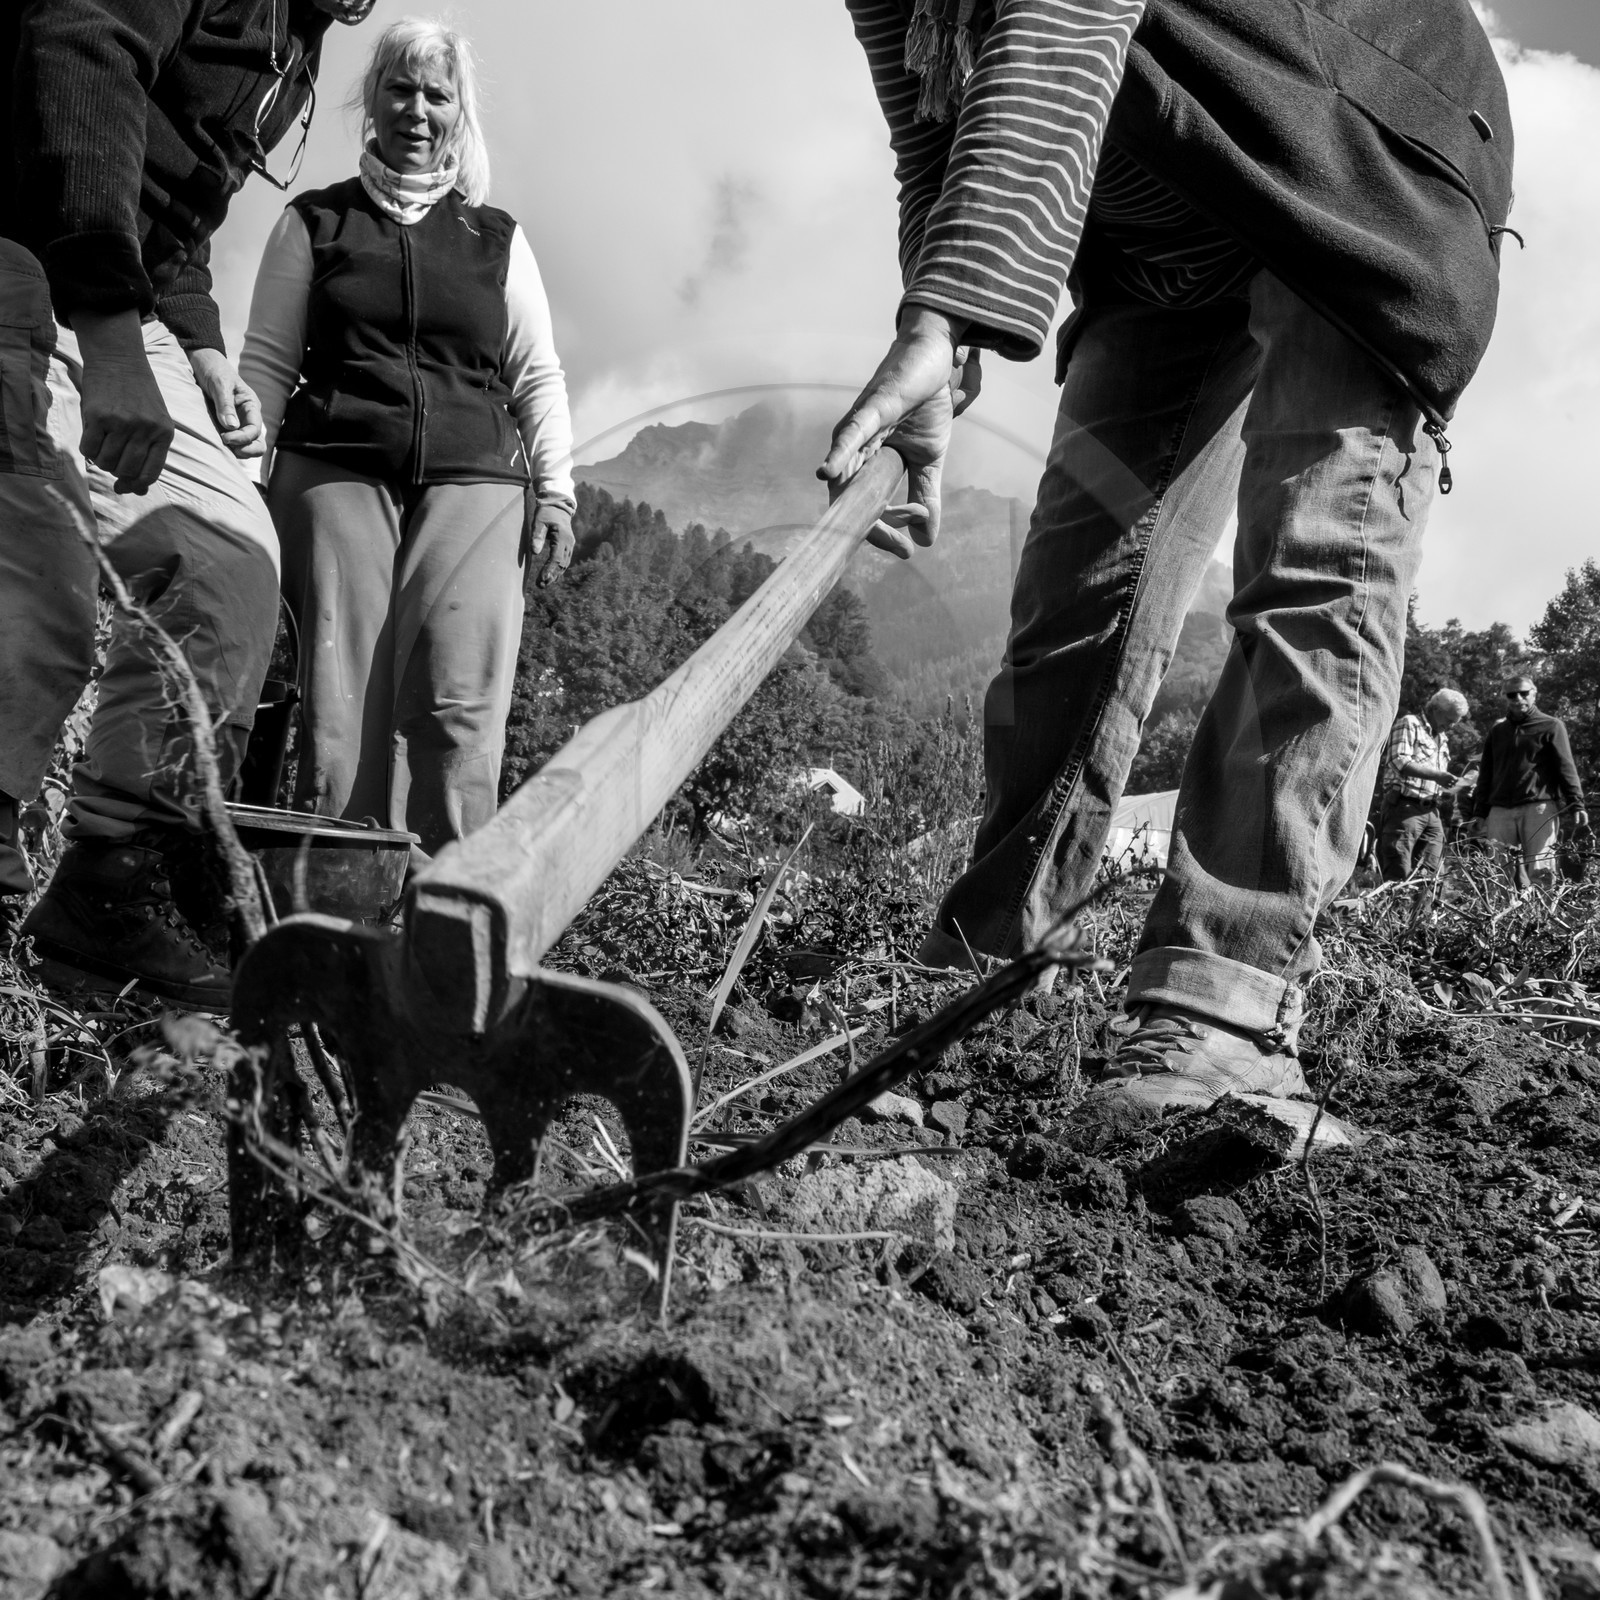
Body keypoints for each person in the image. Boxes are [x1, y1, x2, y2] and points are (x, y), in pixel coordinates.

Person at [822, 0, 1511, 1112]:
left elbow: (1065, 9)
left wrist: (957, 303)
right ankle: (986, 964)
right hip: (1157, 237)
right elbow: (933, 134)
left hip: (1351, 140)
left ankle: (1219, 1005)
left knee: (1312, 560)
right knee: (1077, 596)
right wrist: (937, 332)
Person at [1, 0, 377, 1001]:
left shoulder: (300, 35)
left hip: (116, 292)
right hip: (26, 252)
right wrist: (115, 335)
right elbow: (80, 47)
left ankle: (111, 884)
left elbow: (175, 218)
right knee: (35, 581)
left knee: (231, 569)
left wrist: (204, 353)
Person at [240, 18, 576, 859]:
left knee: (457, 709)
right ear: (372, 101)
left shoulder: (496, 239)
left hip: (478, 486)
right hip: (333, 472)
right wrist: (247, 485)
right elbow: (268, 367)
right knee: (339, 708)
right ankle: (334, 912)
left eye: (436, 93)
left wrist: (559, 492)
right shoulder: (314, 225)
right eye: (400, 88)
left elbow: (537, 375)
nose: (416, 109)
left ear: (459, 113)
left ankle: (445, 916)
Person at [1470, 677, 1587, 889]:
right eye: (1512, 694)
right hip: (1500, 810)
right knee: (1498, 874)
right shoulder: (1497, 732)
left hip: (1539, 807)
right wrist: (1480, 811)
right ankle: (1500, 921)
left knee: (1541, 870)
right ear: (1504, 697)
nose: (1518, 698)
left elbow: (1566, 767)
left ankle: (1541, 921)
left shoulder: (1551, 726)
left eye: (1524, 693)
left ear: (1534, 693)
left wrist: (1576, 803)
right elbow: (1486, 774)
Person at [1376, 690, 1469, 882]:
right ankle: (1395, 912)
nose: (1451, 726)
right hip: (1404, 807)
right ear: (1435, 709)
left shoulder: (1441, 738)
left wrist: (1457, 786)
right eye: (1449, 720)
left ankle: (1421, 912)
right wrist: (1438, 776)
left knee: (1430, 874)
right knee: (1398, 871)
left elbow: (1437, 781)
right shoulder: (1410, 723)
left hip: (1431, 810)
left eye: (1455, 722)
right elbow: (1398, 760)